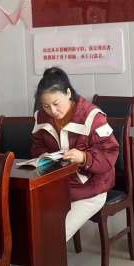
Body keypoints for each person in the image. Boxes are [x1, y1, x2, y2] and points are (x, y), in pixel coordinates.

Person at [31, 67, 120, 240]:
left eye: (56, 104)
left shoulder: (92, 116)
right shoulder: (41, 117)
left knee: (54, 234)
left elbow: (110, 152)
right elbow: (37, 146)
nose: (52, 111)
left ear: (68, 93)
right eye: (46, 106)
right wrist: (45, 158)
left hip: (91, 189)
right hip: (58, 185)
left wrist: (84, 158)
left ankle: (50, 256)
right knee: (31, 225)